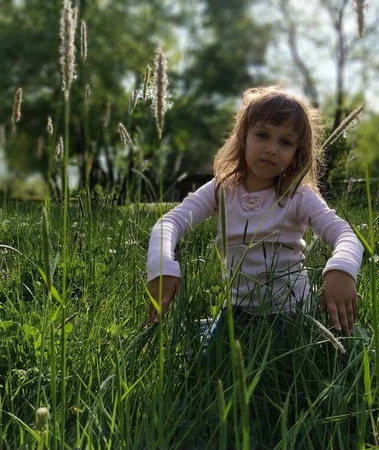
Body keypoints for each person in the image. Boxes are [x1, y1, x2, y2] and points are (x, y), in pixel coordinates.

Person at [146, 85, 363, 337]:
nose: (272, 148)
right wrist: (161, 265)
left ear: (295, 154)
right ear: (243, 138)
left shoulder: (297, 196)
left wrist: (341, 268)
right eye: (262, 135)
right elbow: (170, 222)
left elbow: (345, 234)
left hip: (292, 312)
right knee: (201, 355)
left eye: (285, 141)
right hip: (237, 310)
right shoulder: (223, 189)